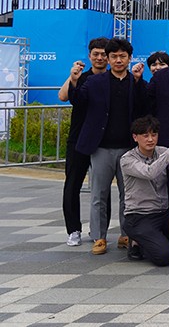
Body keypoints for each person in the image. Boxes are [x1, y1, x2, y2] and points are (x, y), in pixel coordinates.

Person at [69, 37, 147, 255]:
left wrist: (139, 81)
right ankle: (99, 237)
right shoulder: (95, 81)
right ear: (109, 59)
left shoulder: (135, 81)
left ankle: (126, 234)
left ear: (130, 58)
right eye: (114, 56)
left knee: (129, 195)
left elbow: (145, 105)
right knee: (98, 195)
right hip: (101, 147)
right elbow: (78, 101)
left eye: (123, 56)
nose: (118, 60)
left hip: (129, 149)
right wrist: (74, 80)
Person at [58, 37, 108, 247]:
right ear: (89, 56)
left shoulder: (112, 79)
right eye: (96, 54)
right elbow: (62, 96)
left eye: (103, 54)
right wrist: (72, 77)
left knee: (102, 188)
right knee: (72, 185)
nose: (100, 57)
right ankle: (73, 230)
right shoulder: (82, 77)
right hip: (78, 138)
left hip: (104, 140)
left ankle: (99, 231)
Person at [119, 115, 169, 266]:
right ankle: (137, 242)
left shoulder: (163, 151)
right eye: (145, 136)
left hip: (164, 213)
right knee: (164, 256)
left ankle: (148, 240)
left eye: (154, 135)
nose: (150, 139)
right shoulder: (127, 159)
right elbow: (150, 172)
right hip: (139, 216)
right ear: (135, 137)